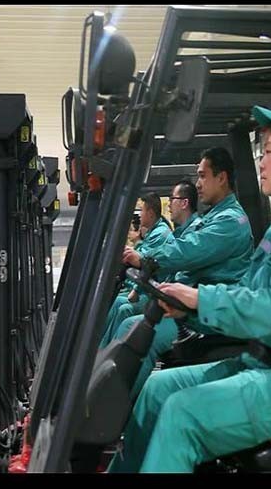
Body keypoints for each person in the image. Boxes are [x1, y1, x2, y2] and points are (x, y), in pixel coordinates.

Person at [107, 104, 271, 473]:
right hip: (267, 362)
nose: (261, 162)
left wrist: (201, 299)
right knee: (156, 392)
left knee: (182, 413)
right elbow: (249, 292)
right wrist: (189, 309)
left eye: (268, 152)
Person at [107, 148, 254, 396]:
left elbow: (189, 250)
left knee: (135, 331)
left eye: (203, 176)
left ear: (222, 178)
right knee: (131, 326)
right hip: (193, 306)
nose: (198, 184)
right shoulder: (212, 217)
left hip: (209, 314)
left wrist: (146, 259)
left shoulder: (230, 221)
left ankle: (112, 407)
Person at [100, 180, 201, 348]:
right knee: (118, 305)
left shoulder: (188, 233)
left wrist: (141, 259)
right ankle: (100, 351)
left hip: (184, 304)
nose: (169, 205)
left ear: (184, 203)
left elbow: (167, 260)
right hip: (173, 297)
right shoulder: (179, 233)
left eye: (172, 199)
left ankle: (104, 355)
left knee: (126, 316)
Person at [101, 192, 174, 346]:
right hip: (147, 288)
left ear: (151, 213)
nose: (139, 215)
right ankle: (100, 347)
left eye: (142, 210)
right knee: (116, 301)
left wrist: (135, 290)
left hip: (153, 291)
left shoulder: (160, 234)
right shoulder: (153, 232)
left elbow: (147, 263)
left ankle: (110, 349)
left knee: (124, 308)